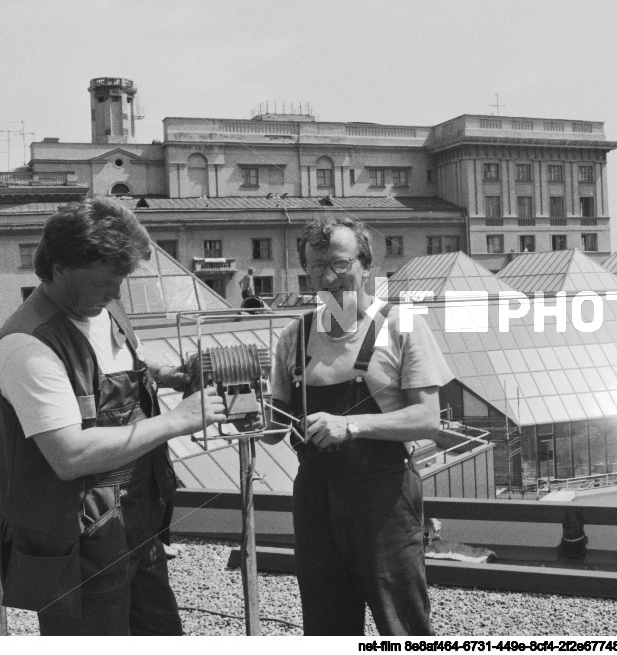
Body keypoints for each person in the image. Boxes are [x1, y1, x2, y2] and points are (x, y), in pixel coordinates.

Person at [0, 197, 227, 635]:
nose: (115, 294)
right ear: (59, 268)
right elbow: (69, 455)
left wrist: (169, 374)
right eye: (105, 283)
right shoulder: (27, 346)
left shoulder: (102, 306)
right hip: (80, 541)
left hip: (136, 523)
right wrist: (178, 421)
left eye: (120, 281)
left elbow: (127, 360)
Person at [264, 217, 452, 636]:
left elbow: (427, 419)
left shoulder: (401, 326)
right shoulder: (295, 336)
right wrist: (235, 403)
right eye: (316, 267)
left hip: (383, 497)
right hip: (315, 497)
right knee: (326, 619)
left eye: (339, 264)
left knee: (401, 620)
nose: (328, 277)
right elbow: (273, 429)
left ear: (366, 265)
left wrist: (350, 425)